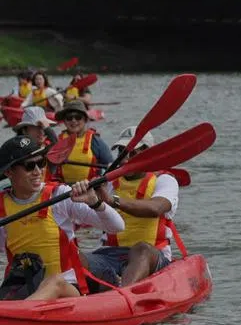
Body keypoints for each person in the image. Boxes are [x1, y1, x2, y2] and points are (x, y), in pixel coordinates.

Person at [0, 134, 124, 302]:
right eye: (29, 166)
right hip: (25, 288)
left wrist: (95, 202)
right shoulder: (2, 205)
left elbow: (117, 227)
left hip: (68, 287)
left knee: (54, 282)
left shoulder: (60, 195)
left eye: (41, 163)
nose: (38, 171)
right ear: (9, 172)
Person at [86, 128, 180, 288]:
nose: (125, 160)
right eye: (122, 152)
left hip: (152, 255)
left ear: (149, 154)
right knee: (73, 254)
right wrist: (89, 198)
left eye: (132, 153)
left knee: (141, 249)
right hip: (110, 254)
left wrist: (110, 200)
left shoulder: (164, 181)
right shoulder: (107, 183)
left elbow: (155, 209)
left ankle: (122, 293)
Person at [53, 100, 113, 186]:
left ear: (85, 120)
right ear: (64, 121)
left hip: (90, 189)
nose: (73, 121)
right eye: (69, 118)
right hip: (63, 191)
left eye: (78, 117)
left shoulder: (96, 142)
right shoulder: (56, 142)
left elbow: (111, 167)